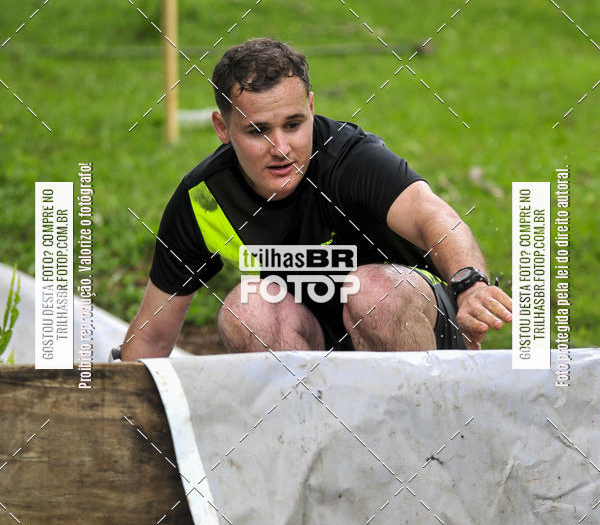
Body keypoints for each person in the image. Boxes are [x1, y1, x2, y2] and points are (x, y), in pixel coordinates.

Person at [120, 37, 511, 360]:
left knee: (371, 290)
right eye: (258, 131)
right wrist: (117, 413)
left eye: (293, 125)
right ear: (223, 128)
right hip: (314, 341)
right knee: (248, 308)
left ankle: (427, 425)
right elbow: (152, 337)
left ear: (311, 107)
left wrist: (470, 285)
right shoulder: (204, 198)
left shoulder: (350, 159)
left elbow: (433, 215)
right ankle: (310, 427)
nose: (280, 148)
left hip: (415, 328)